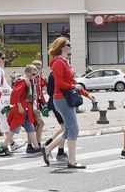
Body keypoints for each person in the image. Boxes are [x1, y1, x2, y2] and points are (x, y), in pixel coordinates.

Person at [41, 37, 96, 168]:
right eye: (68, 44)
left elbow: (73, 84)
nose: (70, 47)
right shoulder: (59, 63)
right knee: (74, 130)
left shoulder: (65, 62)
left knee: (68, 131)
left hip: (65, 99)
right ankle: (72, 161)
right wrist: (73, 87)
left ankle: (47, 149)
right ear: (61, 47)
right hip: (61, 99)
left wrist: (87, 94)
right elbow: (60, 83)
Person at [4, 64, 40, 154]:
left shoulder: (29, 81)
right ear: (27, 73)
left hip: (26, 109)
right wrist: (19, 105)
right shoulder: (23, 81)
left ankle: (36, 147)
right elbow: (16, 94)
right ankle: (4, 146)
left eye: (35, 73)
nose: (34, 75)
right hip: (22, 109)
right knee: (13, 128)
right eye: (33, 73)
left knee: (30, 128)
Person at [44, 66, 68, 161]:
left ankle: (56, 148)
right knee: (65, 128)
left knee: (64, 127)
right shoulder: (57, 75)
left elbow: (49, 91)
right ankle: (52, 148)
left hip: (54, 102)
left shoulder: (52, 74)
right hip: (59, 102)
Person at [31, 60, 47, 148]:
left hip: (36, 105)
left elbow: (41, 92)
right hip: (31, 106)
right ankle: (36, 144)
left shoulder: (39, 78)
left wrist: (44, 104)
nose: (38, 70)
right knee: (39, 124)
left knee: (33, 126)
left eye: (39, 68)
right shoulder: (30, 78)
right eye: (36, 68)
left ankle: (34, 144)